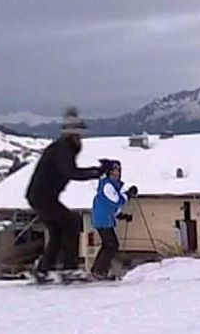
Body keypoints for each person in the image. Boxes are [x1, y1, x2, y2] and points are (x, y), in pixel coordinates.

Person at [25, 108, 111, 282]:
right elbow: (70, 172)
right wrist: (97, 171)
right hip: (43, 197)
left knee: (57, 231)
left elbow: (69, 171)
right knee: (72, 223)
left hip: (41, 196)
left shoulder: (64, 147)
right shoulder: (65, 148)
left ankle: (44, 270)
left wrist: (96, 171)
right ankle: (68, 268)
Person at [90, 159, 138, 280]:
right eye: (114, 171)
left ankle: (97, 270)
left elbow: (110, 205)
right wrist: (128, 195)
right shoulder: (107, 185)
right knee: (111, 245)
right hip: (103, 219)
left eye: (118, 171)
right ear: (109, 172)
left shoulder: (109, 185)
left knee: (108, 244)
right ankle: (99, 271)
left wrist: (121, 216)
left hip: (103, 218)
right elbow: (116, 201)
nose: (116, 174)